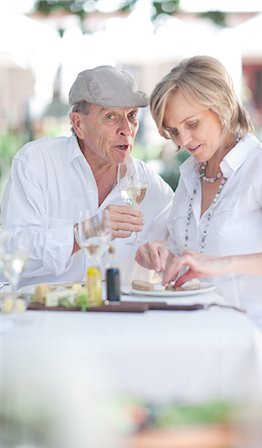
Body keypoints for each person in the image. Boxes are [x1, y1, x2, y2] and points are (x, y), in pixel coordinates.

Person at [136, 56, 262, 371]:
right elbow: (189, 259)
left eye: (192, 124)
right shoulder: (190, 176)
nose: (184, 141)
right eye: (173, 132)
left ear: (221, 105)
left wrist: (222, 265)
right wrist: (159, 257)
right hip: (202, 342)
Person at [1, 65, 173, 287]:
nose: (127, 129)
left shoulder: (147, 183)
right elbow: (15, 252)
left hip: (117, 317)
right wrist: (87, 230)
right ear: (78, 124)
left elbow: (179, 247)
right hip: (41, 313)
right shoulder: (35, 163)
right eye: (111, 117)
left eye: (131, 116)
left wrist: (161, 253)